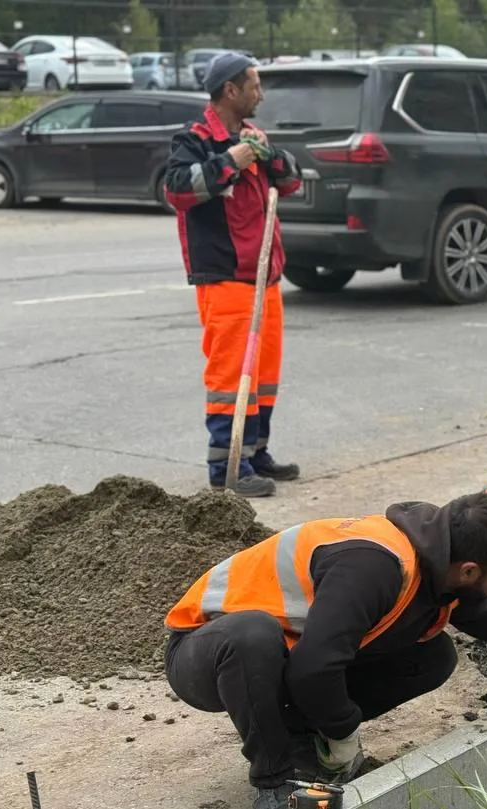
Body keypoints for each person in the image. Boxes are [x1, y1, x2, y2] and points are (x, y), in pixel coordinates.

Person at [164, 492, 487, 809]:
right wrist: (344, 731)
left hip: (285, 654)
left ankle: (301, 736)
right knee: (253, 633)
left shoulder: (441, 558)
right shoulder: (373, 566)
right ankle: (275, 780)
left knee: (431, 656)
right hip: (207, 651)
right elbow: (315, 667)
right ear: (470, 569)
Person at [165, 52, 303, 498]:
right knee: (230, 378)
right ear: (230, 90)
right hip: (225, 278)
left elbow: (293, 181)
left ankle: (255, 452)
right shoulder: (194, 140)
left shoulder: (254, 136)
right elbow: (178, 190)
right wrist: (232, 160)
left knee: (263, 375)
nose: (260, 93)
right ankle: (227, 467)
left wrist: (272, 156)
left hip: (266, 278)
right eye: (254, 85)